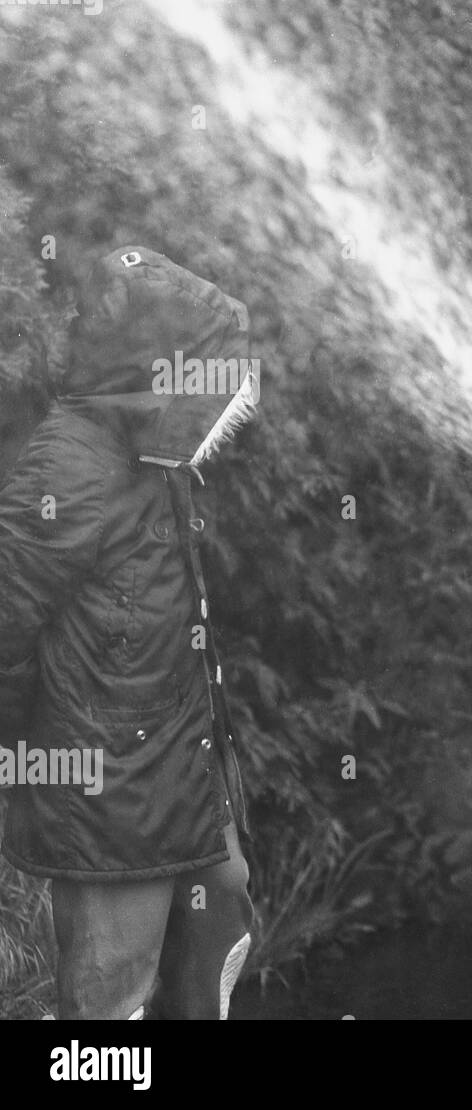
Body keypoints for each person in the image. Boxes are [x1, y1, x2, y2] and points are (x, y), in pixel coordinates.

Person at [0, 246, 258, 1019]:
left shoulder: (154, 458)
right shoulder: (69, 465)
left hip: (183, 781)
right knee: (110, 1008)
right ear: (154, 368)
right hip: (105, 803)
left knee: (218, 944)